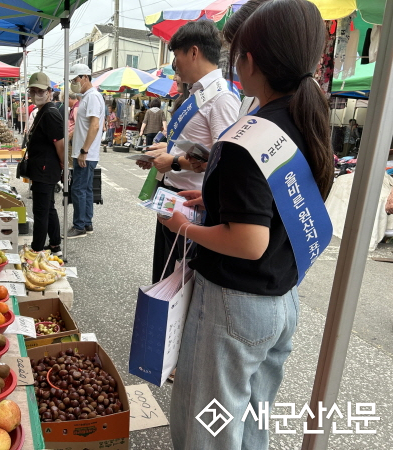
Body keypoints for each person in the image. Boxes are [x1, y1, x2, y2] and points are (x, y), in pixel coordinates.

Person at [161, 1, 334, 448]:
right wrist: (214, 198)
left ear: (249, 61)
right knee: (251, 420)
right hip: (281, 300)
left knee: (208, 428)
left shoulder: (247, 136)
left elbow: (249, 239)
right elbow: (274, 207)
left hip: (234, 305)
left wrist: (184, 225)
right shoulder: (307, 119)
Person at [140, 21, 241, 283]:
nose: (176, 64)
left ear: (193, 52)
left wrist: (173, 161)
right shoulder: (198, 93)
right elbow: (196, 142)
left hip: (191, 199)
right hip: (172, 194)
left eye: (176, 55)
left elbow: (224, 159)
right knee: (163, 275)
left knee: (178, 281)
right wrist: (163, 150)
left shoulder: (221, 98)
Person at [24, 72, 64, 255]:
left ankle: (36, 249)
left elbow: (60, 144)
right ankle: (54, 244)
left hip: (45, 170)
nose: (36, 94)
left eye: (40, 91)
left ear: (49, 91)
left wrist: (63, 165)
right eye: (33, 90)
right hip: (43, 168)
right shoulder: (43, 111)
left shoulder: (50, 113)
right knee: (48, 208)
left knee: (41, 211)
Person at [67, 64, 105, 238]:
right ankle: (87, 222)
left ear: (85, 77)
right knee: (86, 188)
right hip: (85, 151)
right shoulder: (87, 97)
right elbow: (85, 125)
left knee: (79, 188)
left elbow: (95, 125)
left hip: (85, 153)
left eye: (75, 80)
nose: (74, 83)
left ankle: (79, 225)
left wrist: (84, 150)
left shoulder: (92, 97)